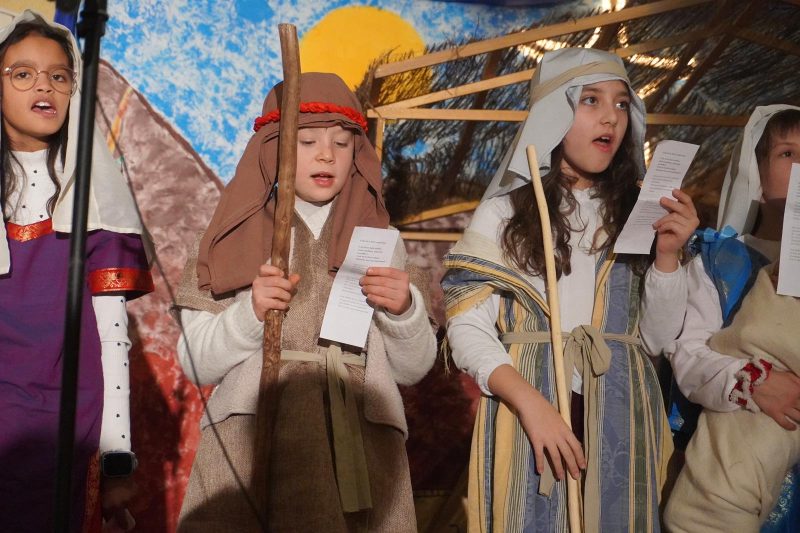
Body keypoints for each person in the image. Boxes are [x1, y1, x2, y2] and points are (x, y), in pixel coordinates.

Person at [442, 47, 695, 532]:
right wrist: (531, 405)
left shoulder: (639, 215)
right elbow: (467, 326)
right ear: (552, 113)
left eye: (622, 104)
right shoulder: (503, 214)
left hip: (622, 414)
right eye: (591, 100)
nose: (611, 117)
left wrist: (667, 256)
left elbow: (657, 341)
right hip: (529, 409)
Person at [175, 72, 437, 532]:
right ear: (273, 149)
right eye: (307, 141)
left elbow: (413, 369)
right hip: (253, 442)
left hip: (358, 447)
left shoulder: (381, 240)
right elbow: (194, 362)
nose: (326, 155)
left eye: (341, 143)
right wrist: (250, 315)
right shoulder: (229, 239)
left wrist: (404, 312)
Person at [0, 10, 153, 532]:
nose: (44, 86)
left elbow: (112, 339)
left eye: (59, 75)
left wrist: (117, 459)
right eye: (23, 74)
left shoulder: (94, 202)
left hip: (68, 433)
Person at [663, 105, 800, 532]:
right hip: (730, 469)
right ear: (756, 173)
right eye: (788, 154)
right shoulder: (719, 259)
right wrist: (753, 381)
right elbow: (687, 354)